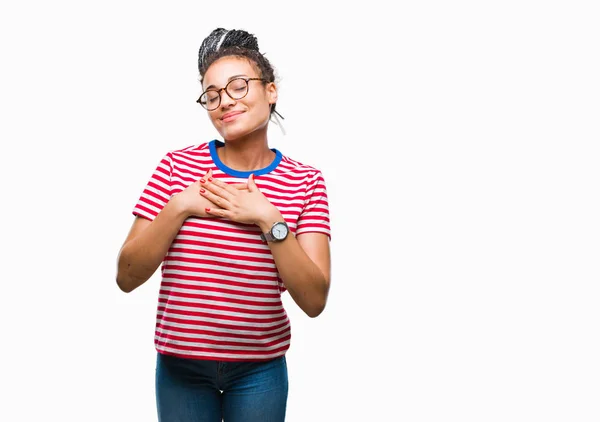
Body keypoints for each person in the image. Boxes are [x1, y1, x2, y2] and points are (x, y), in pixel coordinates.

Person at [116, 27, 331, 422]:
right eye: (211, 95)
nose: (223, 103)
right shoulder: (176, 168)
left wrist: (269, 218)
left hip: (259, 370)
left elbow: (314, 300)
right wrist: (179, 206)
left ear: (270, 91)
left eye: (237, 87)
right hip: (181, 368)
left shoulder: (306, 182)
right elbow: (126, 276)